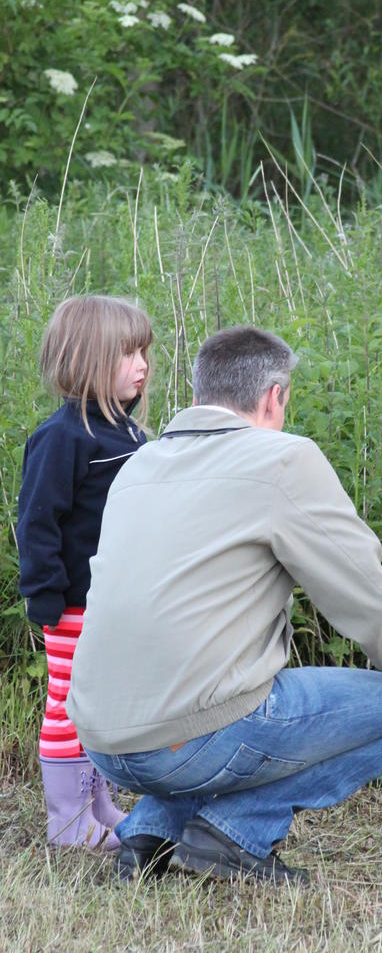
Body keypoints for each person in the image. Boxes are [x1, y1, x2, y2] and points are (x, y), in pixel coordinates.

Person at [66, 325, 382, 884]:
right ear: (274, 397)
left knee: (219, 698)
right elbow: (368, 594)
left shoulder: (138, 464)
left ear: (196, 396)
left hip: (102, 738)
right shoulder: (281, 459)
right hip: (185, 740)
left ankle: (151, 832)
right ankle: (233, 833)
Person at [17, 295, 152, 850]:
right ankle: (68, 819)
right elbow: (37, 522)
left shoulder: (132, 436)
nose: (143, 363)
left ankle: (97, 803)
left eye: (145, 351)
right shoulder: (62, 437)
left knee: (98, 707)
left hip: (116, 603)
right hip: (73, 603)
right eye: (129, 353)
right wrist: (45, 596)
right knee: (68, 704)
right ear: (88, 359)